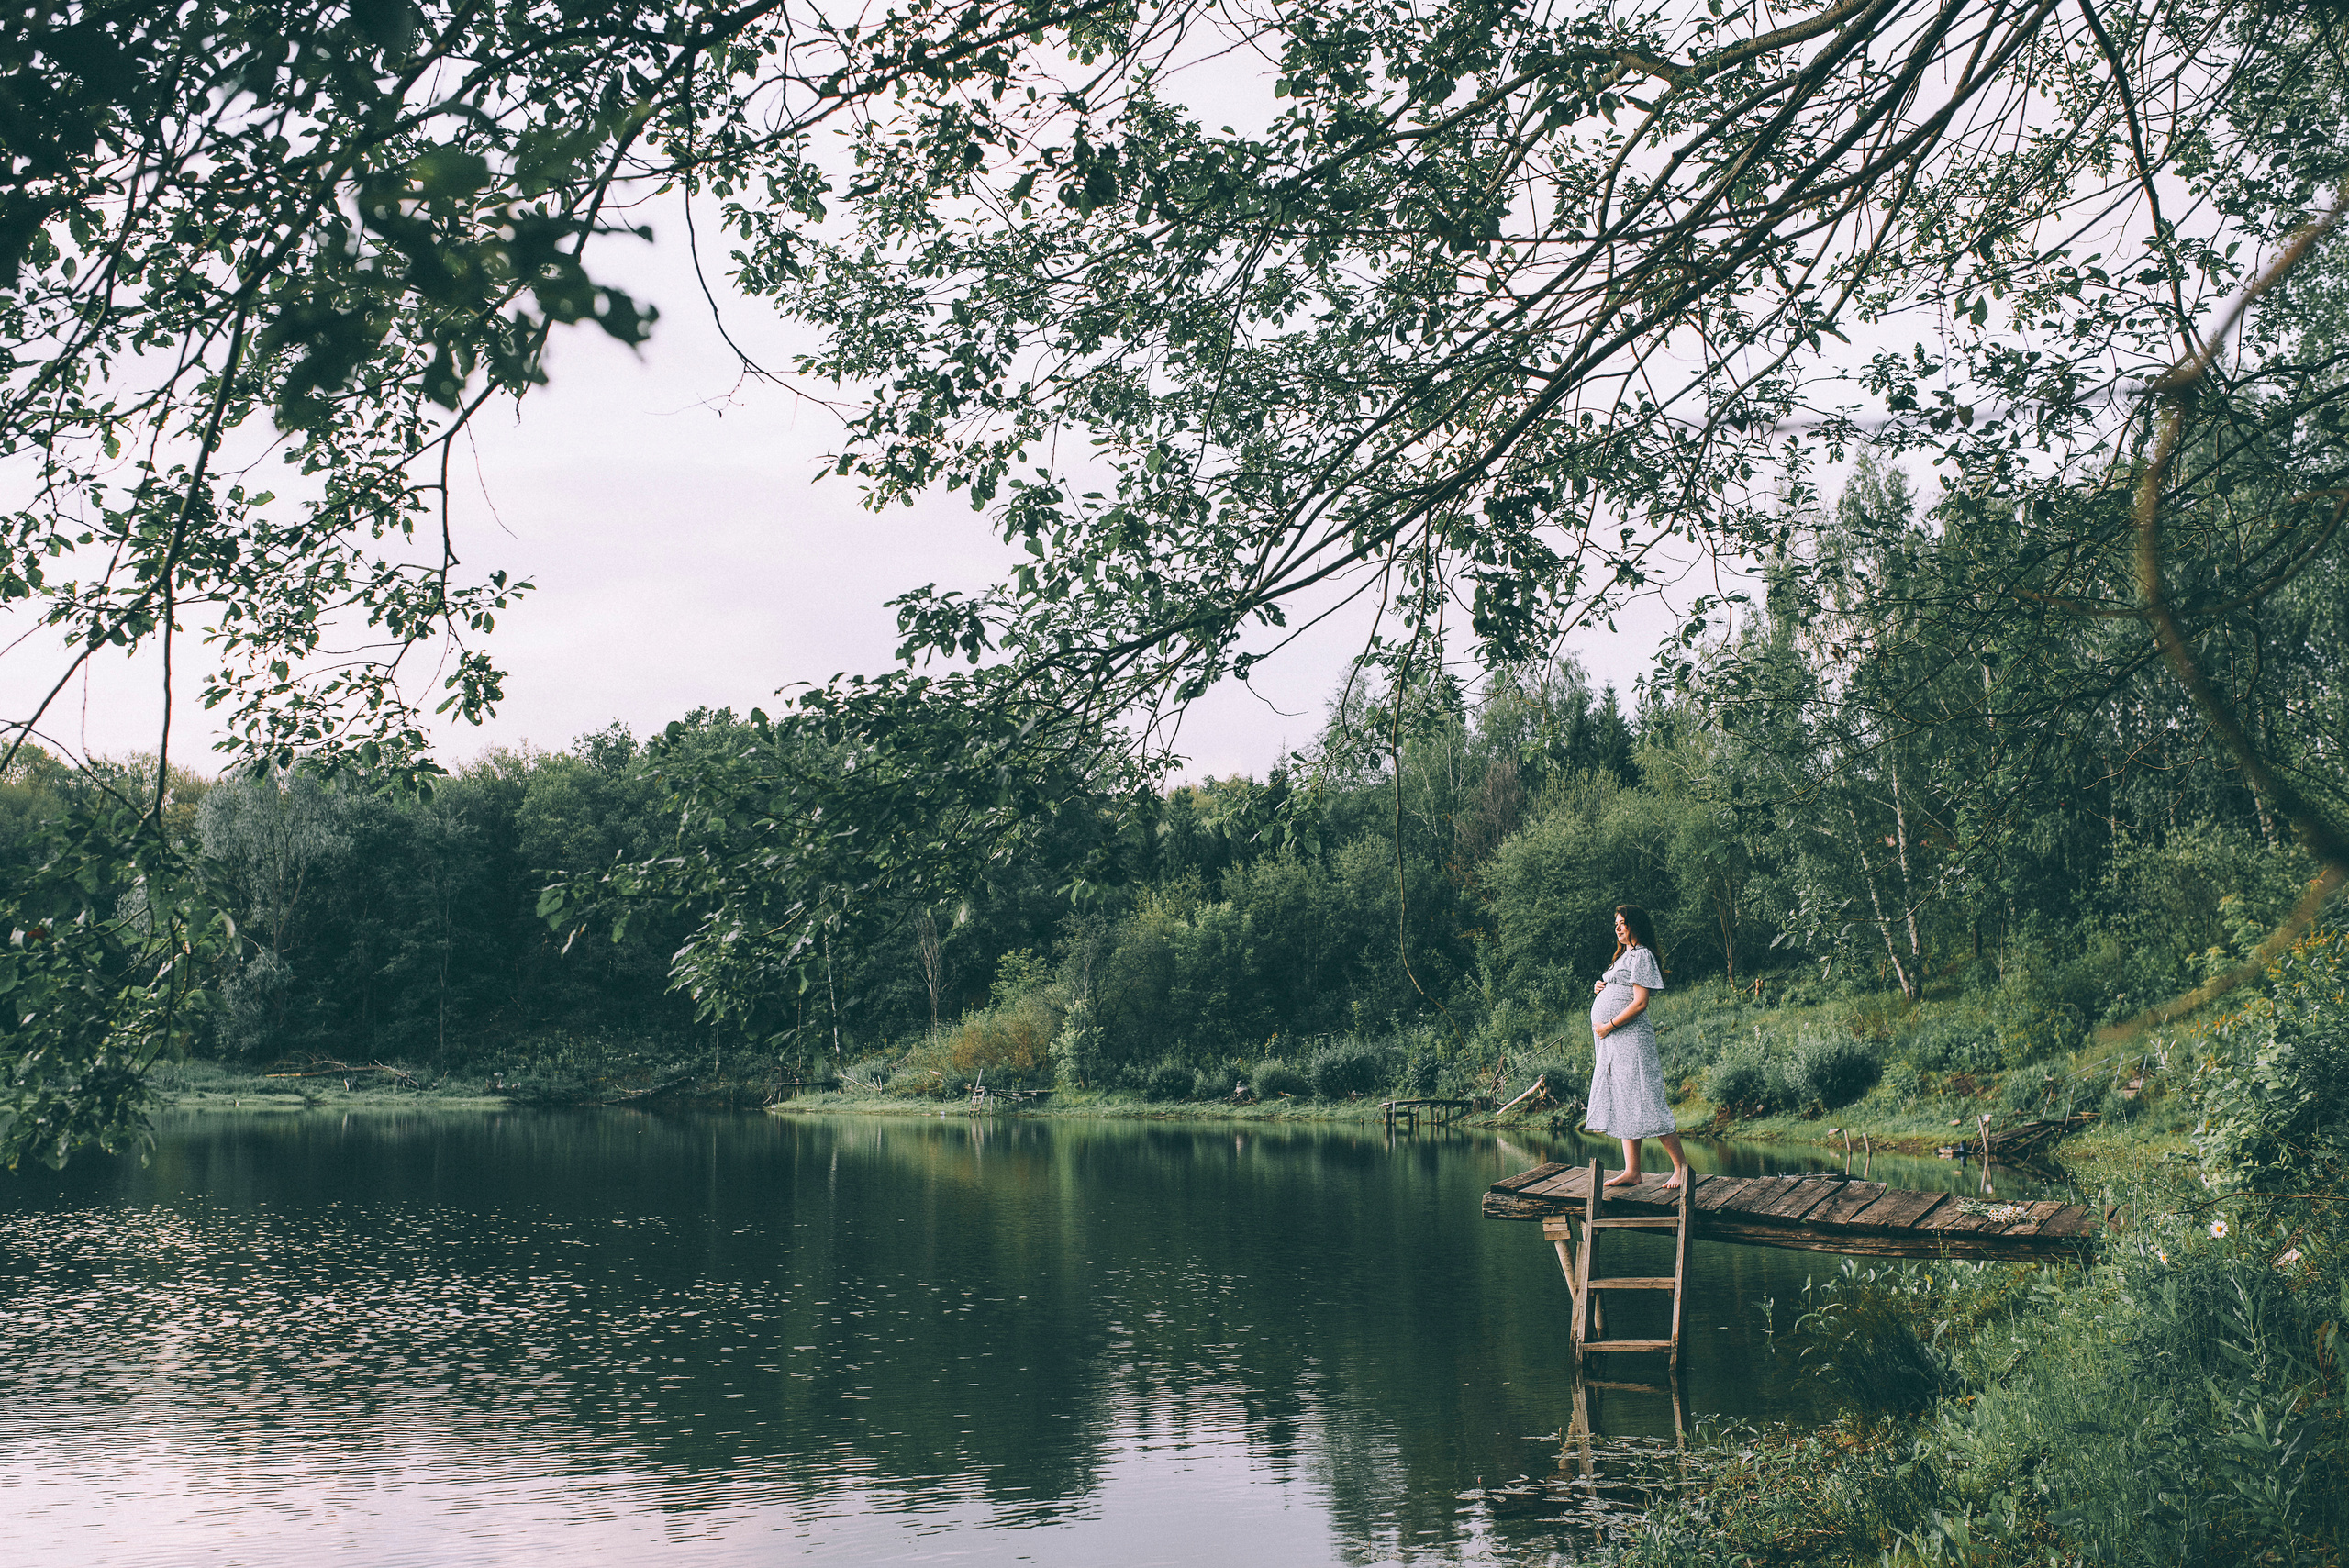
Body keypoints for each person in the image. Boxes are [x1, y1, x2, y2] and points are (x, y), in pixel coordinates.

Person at [1586, 904, 1690, 1191]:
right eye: (1616, 923)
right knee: (1624, 1098)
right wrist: (1602, 986)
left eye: (1623, 923)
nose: (1618, 928)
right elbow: (1621, 988)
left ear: (1636, 926)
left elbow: (1641, 1002)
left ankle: (1681, 1167)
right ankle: (1632, 1171)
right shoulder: (1624, 956)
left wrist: (1610, 1026)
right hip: (1615, 1043)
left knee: (1646, 1098)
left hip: (1630, 1038)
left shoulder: (1642, 954)